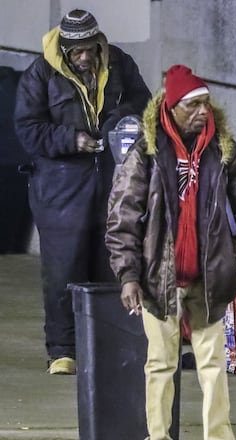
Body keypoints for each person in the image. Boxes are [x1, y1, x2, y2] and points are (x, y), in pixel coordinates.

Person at [105, 64, 236, 440]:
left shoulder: (224, 151)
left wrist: (234, 258)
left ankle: (218, 436)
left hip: (208, 279)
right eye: (193, 105)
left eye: (206, 104)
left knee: (213, 365)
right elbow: (122, 217)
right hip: (158, 278)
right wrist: (128, 275)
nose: (202, 112)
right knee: (160, 364)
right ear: (172, 106)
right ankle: (158, 436)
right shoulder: (146, 151)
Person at [14, 8, 151, 375]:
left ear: (98, 43)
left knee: (111, 264)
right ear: (64, 49)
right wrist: (71, 139)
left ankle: (107, 345)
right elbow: (27, 129)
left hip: (111, 180)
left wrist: (116, 121)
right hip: (60, 187)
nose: (86, 57)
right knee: (64, 268)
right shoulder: (39, 74)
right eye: (77, 52)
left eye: (90, 49)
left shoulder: (121, 63)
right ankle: (63, 351)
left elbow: (145, 107)